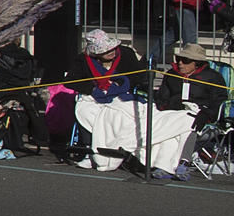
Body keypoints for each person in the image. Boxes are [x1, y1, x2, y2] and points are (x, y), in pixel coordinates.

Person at [72, 29, 197, 176]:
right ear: (97, 54)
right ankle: (91, 152)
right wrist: (93, 88)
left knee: (135, 118)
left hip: (123, 95)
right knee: (86, 110)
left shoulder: (125, 54)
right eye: (107, 51)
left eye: (112, 48)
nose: (111, 52)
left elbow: (140, 76)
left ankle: (158, 159)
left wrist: (121, 83)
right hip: (96, 97)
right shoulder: (83, 60)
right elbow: (72, 81)